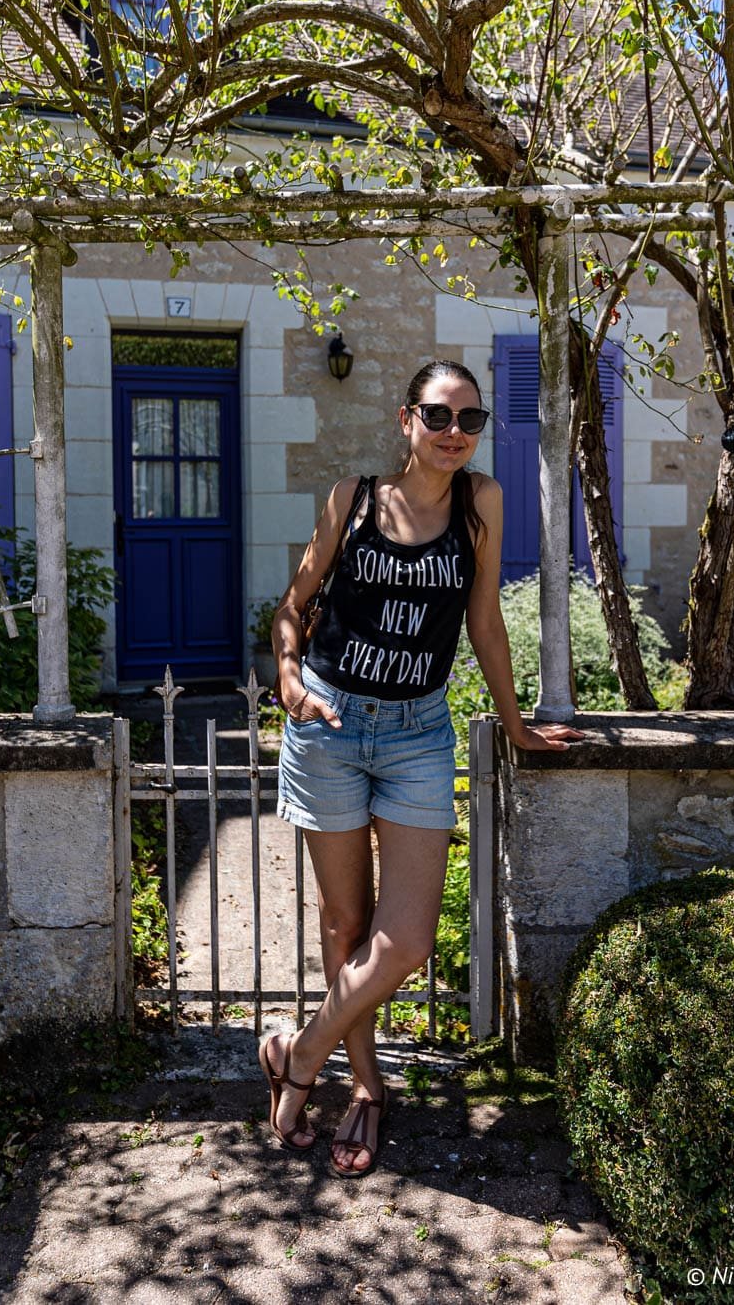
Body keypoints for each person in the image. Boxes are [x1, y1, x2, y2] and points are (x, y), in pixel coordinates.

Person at [263, 358, 583, 1176]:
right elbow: (293, 607)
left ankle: (299, 1056)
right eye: (439, 417)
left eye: (470, 422)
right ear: (406, 420)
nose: (454, 434)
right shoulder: (354, 499)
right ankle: (366, 1090)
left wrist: (516, 726)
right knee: (345, 927)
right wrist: (290, 678)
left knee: (401, 940)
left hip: (417, 735)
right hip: (330, 724)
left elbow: (483, 624)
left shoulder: (482, 505)